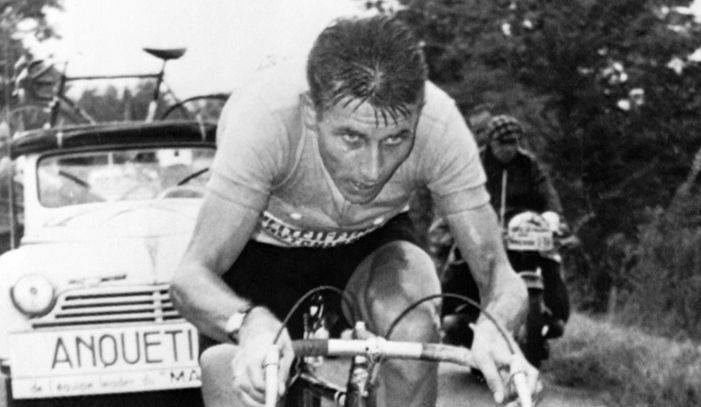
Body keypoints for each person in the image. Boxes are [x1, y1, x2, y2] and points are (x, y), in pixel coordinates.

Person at [170, 16, 537, 407]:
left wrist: (497, 327)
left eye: (397, 138)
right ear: (312, 112)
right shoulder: (267, 119)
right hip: (261, 251)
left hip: (370, 242)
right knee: (232, 371)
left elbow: (500, 276)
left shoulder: (440, 125)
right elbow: (191, 277)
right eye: (352, 138)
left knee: (412, 326)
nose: (373, 171)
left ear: (418, 115)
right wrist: (249, 325)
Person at [439, 114, 571, 350]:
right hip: (482, 228)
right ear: (491, 143)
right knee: (458, 259)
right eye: (503, 144)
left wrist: (554, 218)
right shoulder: (474, 162)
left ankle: (555, 314)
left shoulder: (529, 165)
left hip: (521, 233)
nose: (509, 149)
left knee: (551, 260)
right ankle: (443, 314)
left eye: (514, 143)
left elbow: (548, 195)